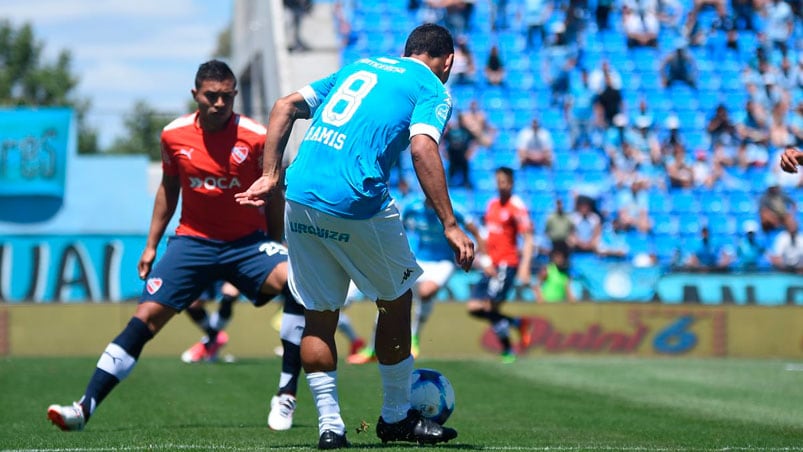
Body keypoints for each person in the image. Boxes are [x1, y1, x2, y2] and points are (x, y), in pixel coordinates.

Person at [236, 24, 473, 449]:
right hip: (354, 200)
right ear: (448, 61)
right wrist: (451, 225)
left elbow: (285, 104)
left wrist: (270, 175)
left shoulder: (359, 66)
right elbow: (422, 149)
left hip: (301, 192)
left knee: (320, 316)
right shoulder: (433, 88)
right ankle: (396, 419)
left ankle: (331, 428)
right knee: (396, 302)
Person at [47, 60, 305, 433]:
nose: (219, 103)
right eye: (211, 96)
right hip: (192, 243)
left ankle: (285, 393)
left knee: (298, 281)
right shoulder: (173, 135)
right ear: (195, 95)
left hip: (247, 245)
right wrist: (151, 245)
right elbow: (169, 189)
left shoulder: (257, 136)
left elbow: (274, 190)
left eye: (227, 96)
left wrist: (276, 242)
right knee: (145, 318)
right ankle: (83, 407)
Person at [349, 195, 482, 364]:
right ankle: (372, 348)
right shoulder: (413, 206)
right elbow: (397, 225)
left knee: (426, 291)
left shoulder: (453, 208)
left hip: (443, 262)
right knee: (392, 295)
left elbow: (475, 229)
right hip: (418, 259)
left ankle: (414, 337)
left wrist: (484, 256)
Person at [466, 167, 534, 364]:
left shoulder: (516, 207)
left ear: (511, 183)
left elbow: (528, 238)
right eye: (497, 181)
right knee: (474, 307)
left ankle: (507, 349)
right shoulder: (492, 205)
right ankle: (518, 323)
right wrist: (481, 257)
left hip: (506, 264)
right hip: (491, 265)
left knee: (489, 306)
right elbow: (488, 237)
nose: (500, 185)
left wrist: (525, 266)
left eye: (503, 181)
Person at [180, 280, 239, 363]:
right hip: (203, 268)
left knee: (229, 296)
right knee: (193, 305)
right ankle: (214, 338)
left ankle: (210, 341)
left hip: (229, 267)